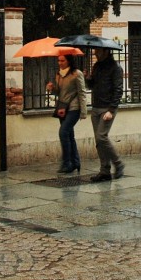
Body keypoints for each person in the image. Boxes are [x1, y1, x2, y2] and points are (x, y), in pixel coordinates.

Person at [85, 47, 125, 182]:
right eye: (95, 51)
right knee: (98, 141)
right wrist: (87, 78)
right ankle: (105, 171)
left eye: (98, 51)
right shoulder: (96, 66)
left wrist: (111, 110)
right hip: (96, 107)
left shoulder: (115, 68)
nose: (95, 53)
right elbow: (92, 86)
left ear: (106, 52)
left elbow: (118, 90)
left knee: (102, 137)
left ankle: (118, 163)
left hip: (107, 108)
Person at [46, 55, 86, 174]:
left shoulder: (76, 74)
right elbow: (60, 92)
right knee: (69, 135)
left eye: (62, 60)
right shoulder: (59, 74)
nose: (60, 62)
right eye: (58, 60)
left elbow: (82, 92)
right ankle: (76, 162)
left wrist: (83, 112)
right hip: (63, 108)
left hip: (74, 108)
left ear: (69, 61)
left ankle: (67, 162)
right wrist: (52, 88)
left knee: (63, 132)